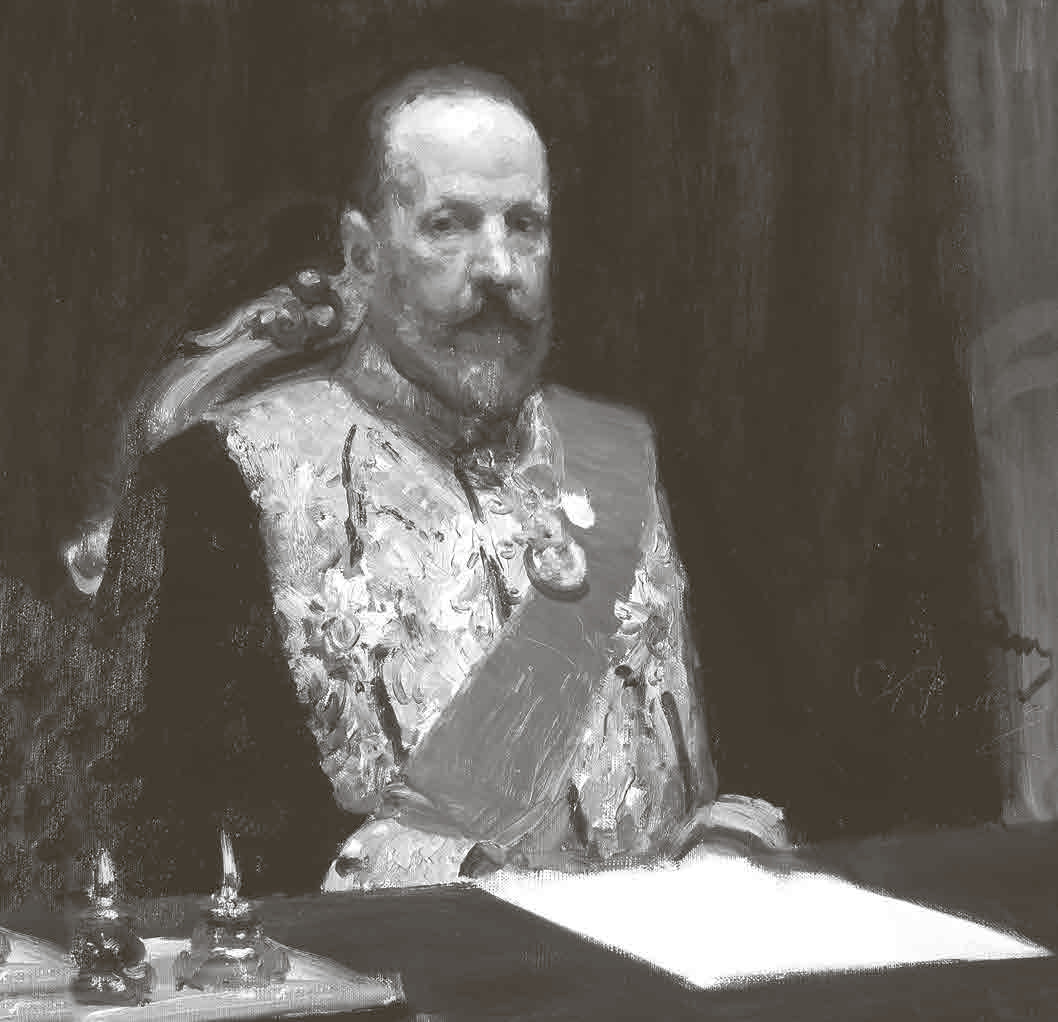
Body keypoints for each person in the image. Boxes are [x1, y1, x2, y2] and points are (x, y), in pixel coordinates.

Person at [92, 65, 786, 897]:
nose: (498, 268)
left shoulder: (637, 460)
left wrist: (728, 847)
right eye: (448, 226)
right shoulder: (220, 482)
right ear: (363, 253)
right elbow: (177, 834)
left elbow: (770, 755)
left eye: (525, 226)